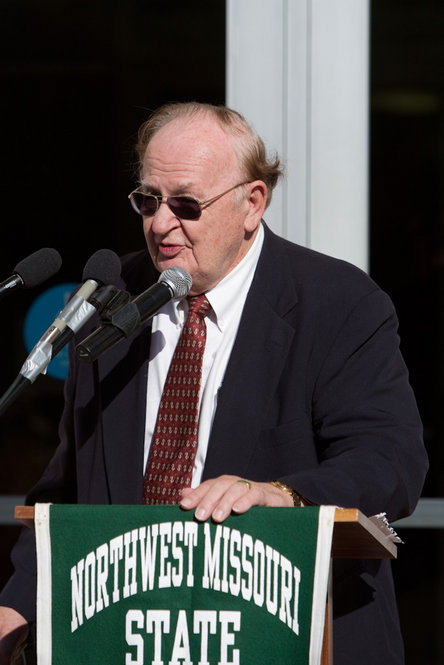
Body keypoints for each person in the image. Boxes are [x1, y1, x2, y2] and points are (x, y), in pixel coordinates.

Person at [0, 102, 428, 664]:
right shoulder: (112, 297)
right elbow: (69, 488)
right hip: (128, 636)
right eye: (147, 201)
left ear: (252, 203)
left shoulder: (338, 303)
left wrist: (281, 494)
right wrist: (16, 610)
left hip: (284, 630)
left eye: (185, 204)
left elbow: (390, 460)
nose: (159, 223)